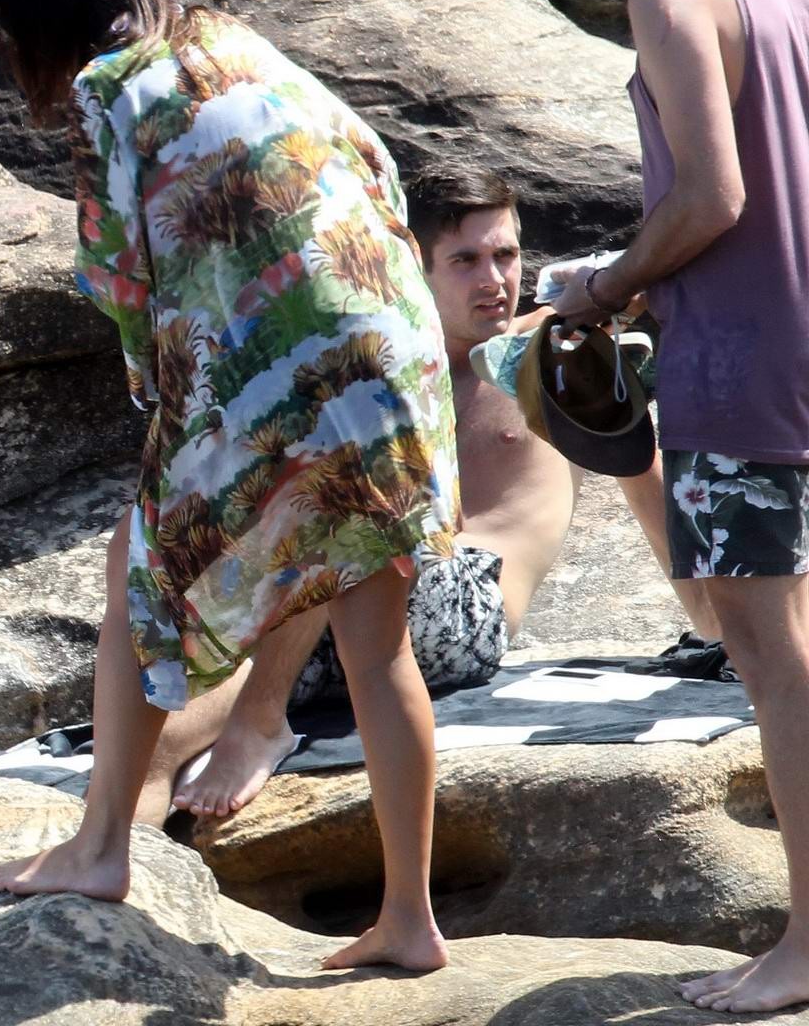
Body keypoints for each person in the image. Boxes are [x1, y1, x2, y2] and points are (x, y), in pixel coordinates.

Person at [0, 0, 460, 973]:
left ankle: (100, 846)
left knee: (136, 576)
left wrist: (166, 399)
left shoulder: (108, 90)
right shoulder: (226, 35)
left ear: (33, 24)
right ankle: (413, 920)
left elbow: (117, 272)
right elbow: (372, 158)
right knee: (377, 645)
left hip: (280, 361)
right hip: (389, 338)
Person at [155, 164, 721, 823]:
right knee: (169, 718)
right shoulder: (382, 364)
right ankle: (137, 813)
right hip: (339, 611)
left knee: (345, 499)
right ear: (415, 267)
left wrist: (722, 627)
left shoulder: (554, 355)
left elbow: (642, 476)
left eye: (505, 255)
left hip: (460, 610)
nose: (494, 280)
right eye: (466, 261)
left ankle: (258, 721)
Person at [548, 0, 809, 1015]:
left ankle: (808, 947)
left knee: (770, 653)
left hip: (744, 374)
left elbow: (710, 200)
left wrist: (602, 283)